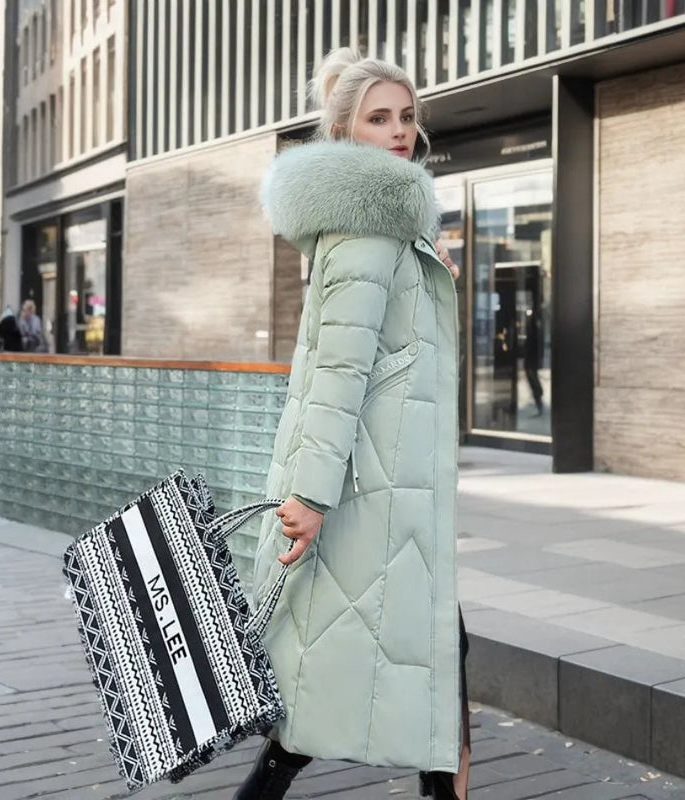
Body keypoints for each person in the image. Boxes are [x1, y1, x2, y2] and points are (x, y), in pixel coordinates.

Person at [235, 49, 468, 800]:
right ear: (343, 131)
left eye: (407, 116)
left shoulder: (385, 228)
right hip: (372, 492)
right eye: (379, 119)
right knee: (419, 660)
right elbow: (339, 374)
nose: (399, 132)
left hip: (386, 488)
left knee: (412, 662)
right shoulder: (369, 230)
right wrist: (310, 494)